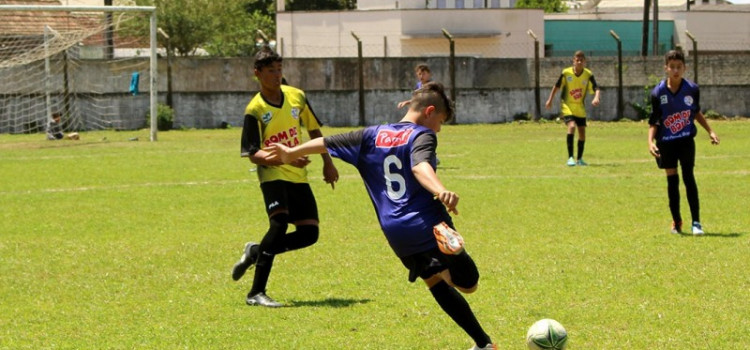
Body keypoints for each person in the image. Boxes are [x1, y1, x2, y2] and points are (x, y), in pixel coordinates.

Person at [266, 82, 497, 350]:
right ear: (429, 111)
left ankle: (483, 344)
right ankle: (457, 254)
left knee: (434, 280)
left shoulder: (370, 135)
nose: (439, 129)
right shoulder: (422, 135)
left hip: (395, 230)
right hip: (428, 222)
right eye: (440, 121)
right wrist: (441, 190)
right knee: (468, 285)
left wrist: (291, 152)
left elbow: (326, 142)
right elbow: (420, 166)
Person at [231, 47, 339, 307]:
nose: (277, 75)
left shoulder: (297, 97)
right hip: (272, 175)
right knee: (278, 225)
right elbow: (252, 153)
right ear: (257, 74)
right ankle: (256, 293)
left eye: (279, 69)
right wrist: (284, 157)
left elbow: (314, 131)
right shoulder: (255, 109)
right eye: (271, 71)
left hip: (298, 175)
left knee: (309, 233)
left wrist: (328, 162)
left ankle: (255, 252)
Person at [648, 49, 719, 235]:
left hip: (686, 141)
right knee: (672, 180)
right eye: (672, 67)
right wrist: (650, 142)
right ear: (666, 68)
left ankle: (696, 223)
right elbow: (654, 120)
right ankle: (677, 222)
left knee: (689, 178)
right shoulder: (658, 92)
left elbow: (695, 112)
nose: (675, 70)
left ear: (684, 68)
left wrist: (710, 131)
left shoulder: (692, 89)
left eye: (679, 67)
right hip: (666, 143)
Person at [545, 50, 601, 166]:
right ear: (573, 61)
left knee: (582, 133)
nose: (579, 62)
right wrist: (549, 100)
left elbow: (596, 88)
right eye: (577, 60)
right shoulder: (566, 73)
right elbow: (556, 86)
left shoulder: (588, 74)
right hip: (567, 105)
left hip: (580, 107)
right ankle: (570, 158)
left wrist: (596, 97)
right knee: (571, 126)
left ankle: (579, 159)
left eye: (581, 60)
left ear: (584, 61)